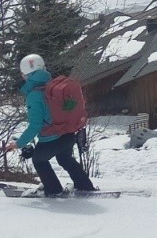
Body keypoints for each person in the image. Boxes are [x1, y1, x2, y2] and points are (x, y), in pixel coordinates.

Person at [8, 54, 95, 197]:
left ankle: (54, 191)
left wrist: (18, 144)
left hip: (51, 139)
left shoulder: (34, 95)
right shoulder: (53, 87)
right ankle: (85, 186)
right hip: (68, 135)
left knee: (39, 160)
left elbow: (35, 126)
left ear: (25, 75)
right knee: (65, 159)